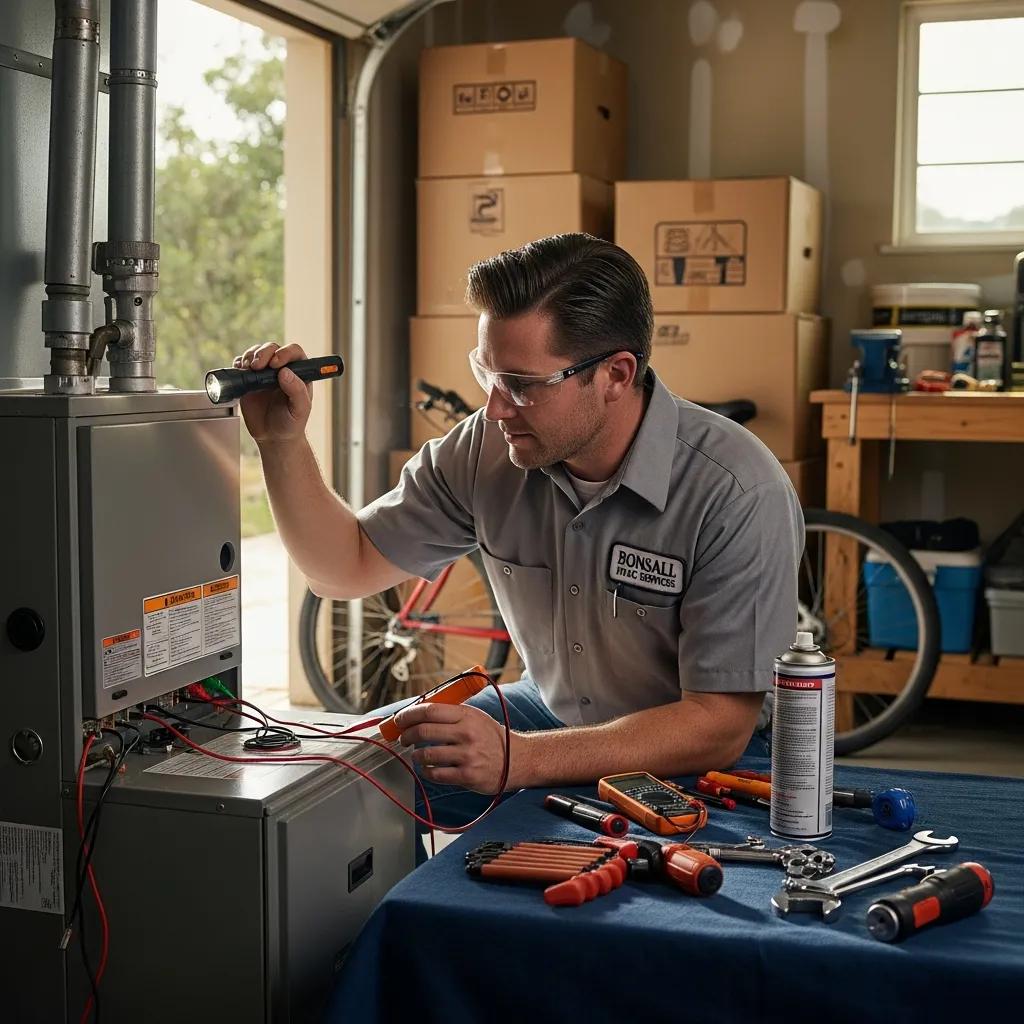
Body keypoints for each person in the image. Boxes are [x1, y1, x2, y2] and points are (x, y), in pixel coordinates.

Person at [236, 233, 803, 849]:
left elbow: (718, 724)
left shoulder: (736, 490)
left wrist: (523, 759)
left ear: (616, 374)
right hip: (553, 712)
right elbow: (343, 569)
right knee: (346, 778)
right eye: (486, 372)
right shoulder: (485, 448)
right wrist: (281, 444)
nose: (496, 407)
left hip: (709, 754)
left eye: (522, 383)